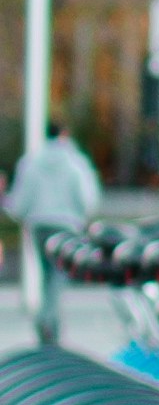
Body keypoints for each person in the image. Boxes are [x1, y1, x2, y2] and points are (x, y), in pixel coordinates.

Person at [6, 122, 102, 345]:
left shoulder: (30, 163)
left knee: (46, 273)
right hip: (67, 225)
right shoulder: (76, 163)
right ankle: (48, 320)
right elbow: (87, 199)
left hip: (39, 225)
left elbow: (20, 203)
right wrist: (82, 217)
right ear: (65, 135)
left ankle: (47, 320)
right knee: (59, 275)